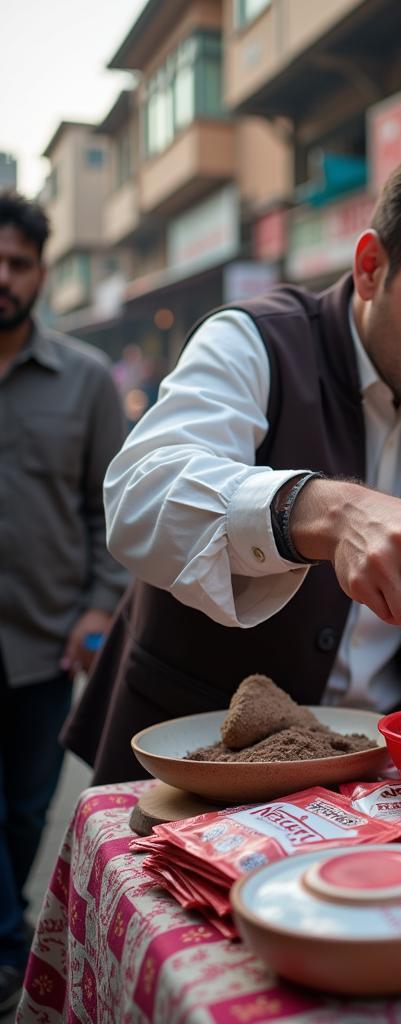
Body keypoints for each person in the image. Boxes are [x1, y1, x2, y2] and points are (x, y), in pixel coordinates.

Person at [64, 145, 401, 784]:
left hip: (382, 766)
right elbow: (138, 494)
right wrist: (321, 510)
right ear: (371, 267)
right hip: (206, 763)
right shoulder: (254, 340)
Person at [0, 192, 128, 1009]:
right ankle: (9, 958)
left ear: (43, 273)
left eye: (16, 263)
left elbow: (112, 511)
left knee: (24, 815)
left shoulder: (83, 381)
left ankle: (4, 931)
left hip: (42, 646)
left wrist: (95, 609)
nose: (1, 278)